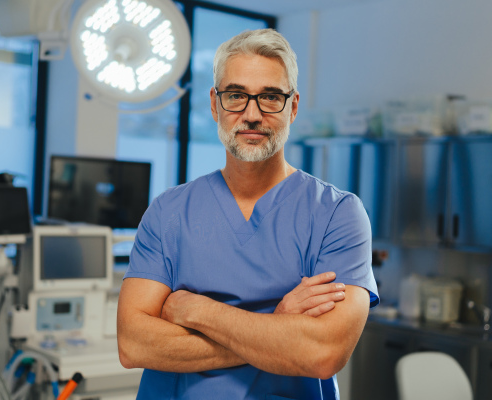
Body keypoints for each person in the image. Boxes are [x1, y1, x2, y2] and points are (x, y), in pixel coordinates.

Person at [117, 28, 379, 400]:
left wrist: (194, 309)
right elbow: (133, 344)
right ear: (215, 104)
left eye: (271, 97)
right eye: (236, 96)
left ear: (293, 106)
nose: (252, 114)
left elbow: (323, 353)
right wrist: (277, 330)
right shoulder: (169, 212)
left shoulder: (337, 215)